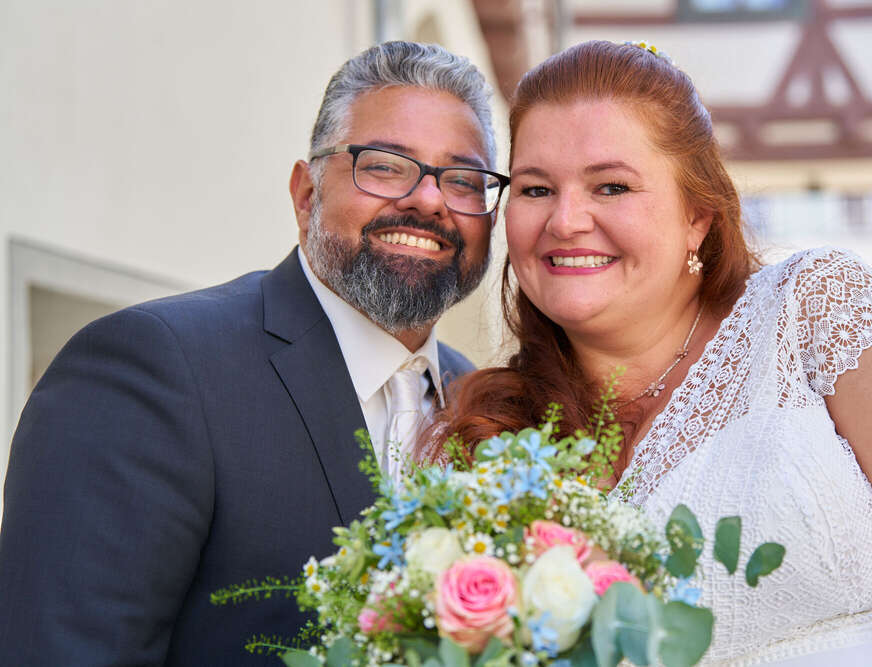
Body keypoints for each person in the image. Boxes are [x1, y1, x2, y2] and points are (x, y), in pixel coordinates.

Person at [433, 40, 872, 665]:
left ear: (697, 217)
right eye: (536, 189)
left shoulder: (814, 312)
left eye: (612, 186)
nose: (566, 220)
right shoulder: (493, 444)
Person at [0, 41, 506, 665]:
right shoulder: (152, 369)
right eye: (385, 165)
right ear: (305, 194)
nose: (429, 200)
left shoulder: (490, 409)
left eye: (463, 180)